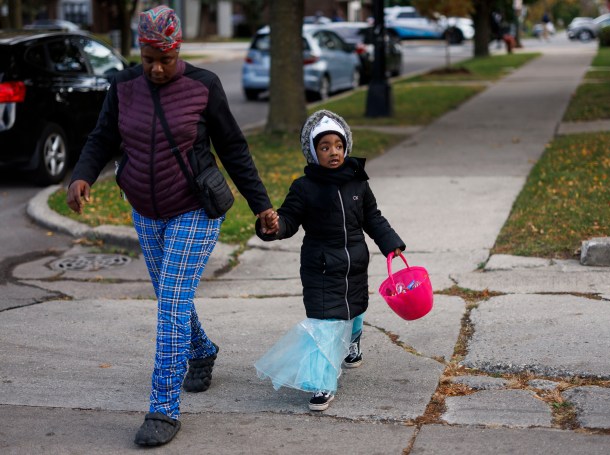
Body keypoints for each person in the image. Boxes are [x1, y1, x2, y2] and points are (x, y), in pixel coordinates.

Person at [66, 5, 278, 447]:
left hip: (194, 209)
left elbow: (234, 148)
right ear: (139, 52)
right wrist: (82, 174)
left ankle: (163, 407)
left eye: (165, 58)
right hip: (145, 210)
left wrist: (261, 205)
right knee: (171, 296)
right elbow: (103, 137)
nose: (157, 68)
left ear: (177, 49)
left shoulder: (203, 86)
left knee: (170, 303)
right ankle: (202, 350)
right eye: (149, 59)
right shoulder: (123, 86)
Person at [254, 110, 405, 411]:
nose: (333, 152)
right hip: (321, 266)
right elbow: (289, 220)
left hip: (355, 263)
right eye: (324, 147)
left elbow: (372, 217)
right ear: (313, 152)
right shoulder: (304, 187)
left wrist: (391, 243)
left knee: (354, 309)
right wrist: (272, 226)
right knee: (325, 323)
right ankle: (322, 382)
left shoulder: (357, 181)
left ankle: (353, 344)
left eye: (338, 145)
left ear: (346, 146)